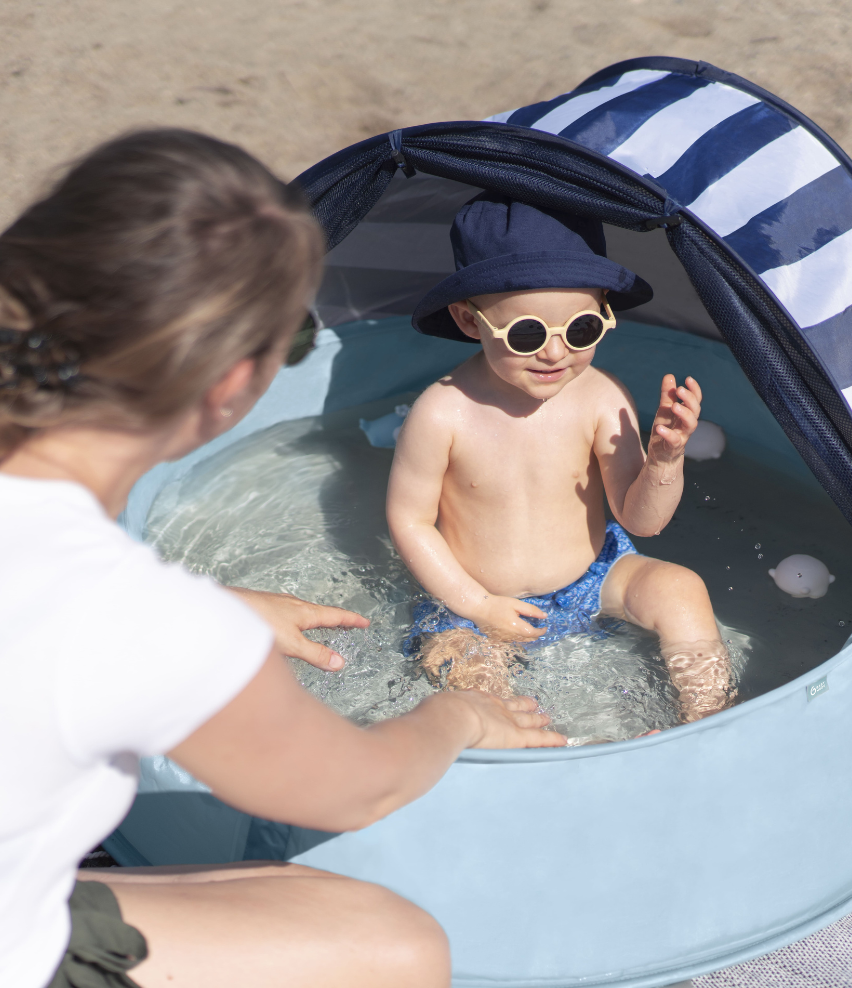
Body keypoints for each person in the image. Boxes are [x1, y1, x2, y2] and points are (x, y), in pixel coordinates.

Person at [0, 133, 567, 988]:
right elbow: (350, 790)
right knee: (393, 947)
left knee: (273, 888)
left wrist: (216, 602)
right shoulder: (137, 621)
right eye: (293, 348)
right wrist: (463, 716)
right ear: (234, 385)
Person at [387, 193, 733, 724]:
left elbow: (642, 521)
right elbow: (409, 521)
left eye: (582, 330)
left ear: (604, 314)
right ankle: (530, 752)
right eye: (526, 334)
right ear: (468, 320)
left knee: (680, 588)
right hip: (477, 603)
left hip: (595, 578)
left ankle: (704, 720)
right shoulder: (442, 413)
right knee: (466, 671)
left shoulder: (600, 397)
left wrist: (663, 462)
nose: (555, 353)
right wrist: (476, 604)